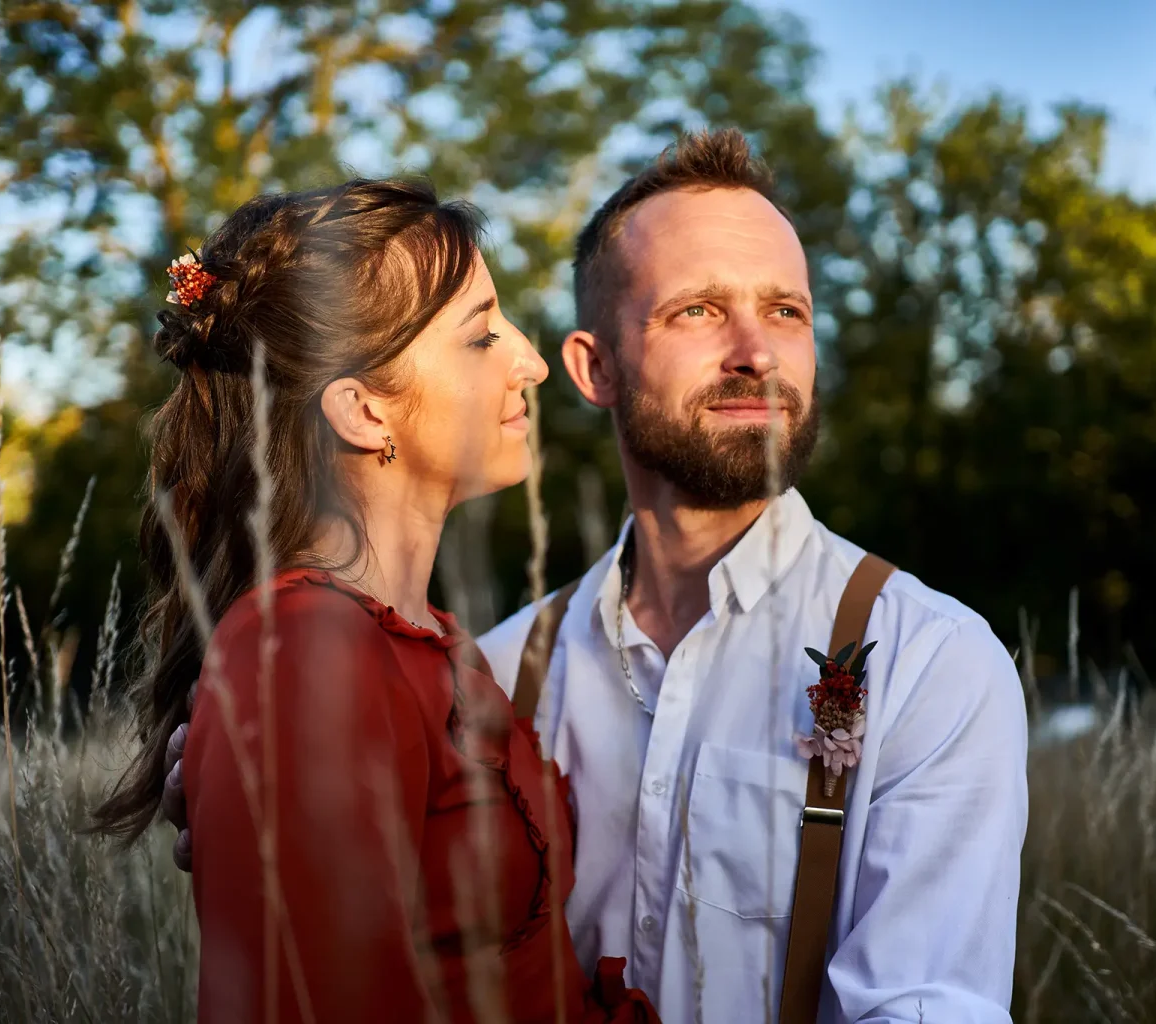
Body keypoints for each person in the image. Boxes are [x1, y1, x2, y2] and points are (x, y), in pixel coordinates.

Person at [165, 130, 1029, 1023]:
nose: (756, 353)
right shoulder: (504, 670)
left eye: (788, 312)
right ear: (595, 367)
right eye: (697, 310)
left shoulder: (932, 665)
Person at [92, 179, 658, 1024]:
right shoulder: (302, 658)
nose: (532, 362)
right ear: (362, 410)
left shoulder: (430, 645)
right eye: (481, 337)